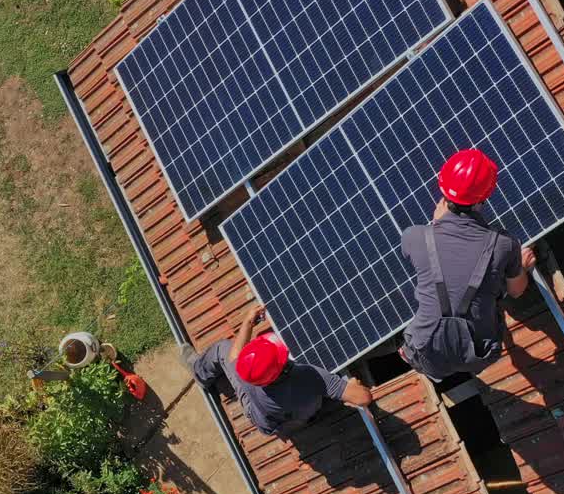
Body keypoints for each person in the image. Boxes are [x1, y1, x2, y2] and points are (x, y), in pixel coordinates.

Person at [398, 149, 536, 381]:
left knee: (419, 336)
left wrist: (435, 224)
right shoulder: (504, 245)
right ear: (487, 195)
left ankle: (421, 363)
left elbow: (437, 257)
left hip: (425, 350)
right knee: (496, 295)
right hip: (479, 353)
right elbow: (517, 290)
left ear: (442, 187)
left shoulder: (413, 236)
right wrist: (521, 266)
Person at [179, 305, 373, 436]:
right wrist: (351, 385)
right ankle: (199, 374)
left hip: (265, 422)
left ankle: (200, 373)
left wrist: (247, 323)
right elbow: (363, 398)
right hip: (301, 416)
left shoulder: (247, 375)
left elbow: (233, 357)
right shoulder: (307, 377)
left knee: (222, 347)